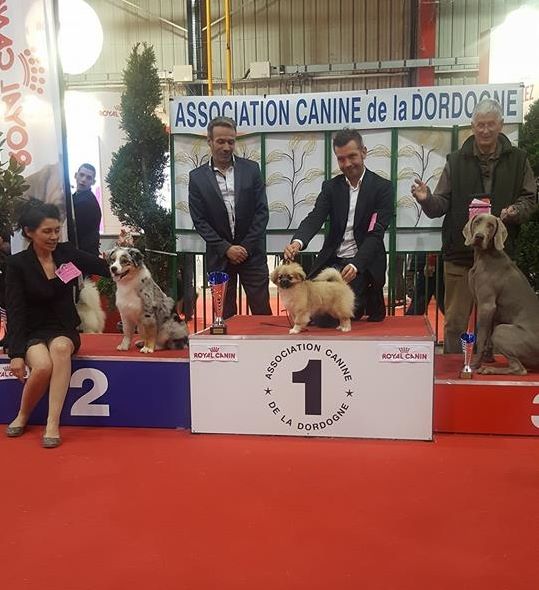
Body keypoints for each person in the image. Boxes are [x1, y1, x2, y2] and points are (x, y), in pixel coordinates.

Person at [411, 98, 537, 353]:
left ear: (501, 125)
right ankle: (455, 370)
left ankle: (490, 366)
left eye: (491, 124)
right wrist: (426, 199)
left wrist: (516, 211)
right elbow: (440, 204)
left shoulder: (519, 160)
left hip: (500, 259)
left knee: (497, 325)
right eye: (480, 125)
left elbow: (530, 199)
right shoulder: (455, 161)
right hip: (460, 255)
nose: (485, 130)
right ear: (473, 126)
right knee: (455, 323)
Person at [5, 200, 109, 448]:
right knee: (42, 366)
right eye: (47, 231)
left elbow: (102, 266)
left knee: (61, 350)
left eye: (57, 230)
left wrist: (126, 260)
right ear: (29, 232)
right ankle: (23, 415)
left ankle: (53, 423)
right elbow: (15, 310)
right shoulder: (17, 264)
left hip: (62, 328)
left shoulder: (66, 253)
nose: (54, 237)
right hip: (32, 330)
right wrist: (16, 354)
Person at [283, 128, 393, 322]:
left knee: (335, 315)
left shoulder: (382, 188)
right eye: (341, 159)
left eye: (352, 156)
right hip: (333, 261)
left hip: (362, 264)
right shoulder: (330, 187)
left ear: (364, 152)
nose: (347, 164)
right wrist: (297, 242)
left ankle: (363, 301)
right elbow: (315, 217)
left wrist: (356, 264)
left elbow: (375, 234)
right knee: (316, 312)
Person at [188, 116, 272, 318]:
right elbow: (199, 220)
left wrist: (245, 247)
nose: (226, 147)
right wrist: (226, 248)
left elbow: (262, 212)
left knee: (262, 313)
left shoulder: (252, 169)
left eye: (231, 142)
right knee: (224, 316)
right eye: (220, 141)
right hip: (219, 257)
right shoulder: (197, 178)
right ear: (209, 141)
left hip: (252, 254)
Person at [72, 163, 101, 256]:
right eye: (81, 175)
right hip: (81, 252)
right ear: (76, 175)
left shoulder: (87, 202)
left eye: (88, 178)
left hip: (84, 254)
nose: (84, 179)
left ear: (93, 182)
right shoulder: (75, 197)